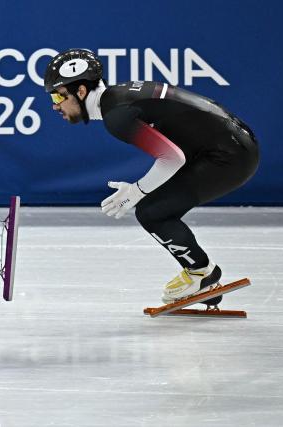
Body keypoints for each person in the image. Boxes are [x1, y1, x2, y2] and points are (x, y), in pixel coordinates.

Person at [44, 49, 259, 305]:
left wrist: (137, 191)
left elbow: (172, 158)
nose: (55, 105)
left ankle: (201, 274)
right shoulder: (118, 97)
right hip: (230, 145)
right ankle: (203, 275)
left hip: (229, 157)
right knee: (154, 206)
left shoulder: (117, 116)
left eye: (59, 95)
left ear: (80, 91)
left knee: (152, 212)